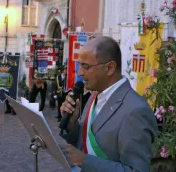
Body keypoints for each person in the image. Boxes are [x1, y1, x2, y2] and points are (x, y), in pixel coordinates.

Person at [59, 36, 157, 172]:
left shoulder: (135, 110)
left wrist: (83, 161)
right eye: (79, 65)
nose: (80, 72)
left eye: (85, 66)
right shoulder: (96, 94)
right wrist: (71, 123)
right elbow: (85, 142)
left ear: (110, 68)